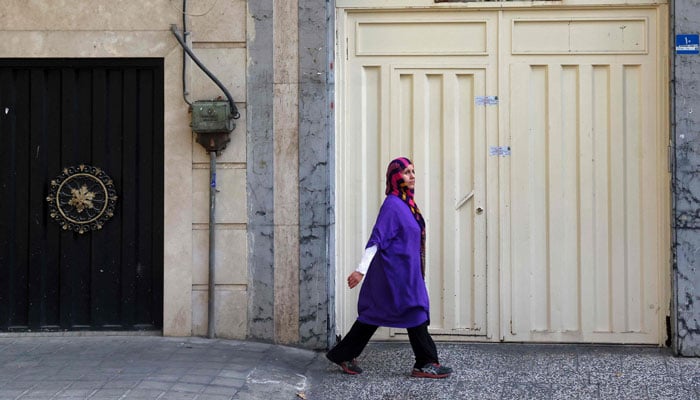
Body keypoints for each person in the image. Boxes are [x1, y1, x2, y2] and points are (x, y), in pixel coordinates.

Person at [326, 157, 452, 379]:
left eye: (413, 171)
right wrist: (360, 270)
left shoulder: (406, 204)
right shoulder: (393, 205)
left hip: (405, 273)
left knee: (377, 314)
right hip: (393, 274)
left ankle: (342, 354)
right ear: (395, 177)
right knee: (415, 311)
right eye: (406, 172)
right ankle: (424, 363)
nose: (412, 176)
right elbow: (377, 239)